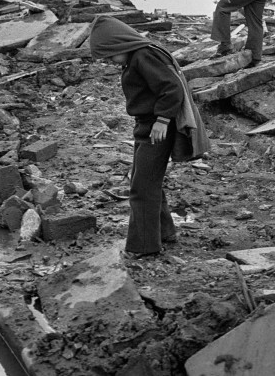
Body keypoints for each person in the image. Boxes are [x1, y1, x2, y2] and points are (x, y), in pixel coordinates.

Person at [89, 16, 210, 258]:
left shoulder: (144, 56)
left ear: (119, 44)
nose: (110, 62)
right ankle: (164, 232)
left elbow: (171, 89)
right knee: (145, 180)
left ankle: (144, 247)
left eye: (110, 55)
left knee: (141, 188)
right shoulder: (136, 58)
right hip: (146, 126)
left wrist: (162, 121)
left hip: (157, 129)